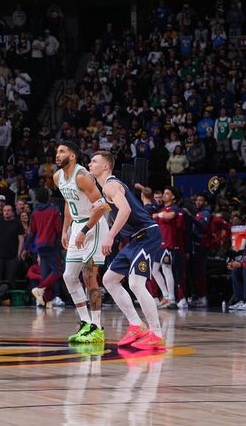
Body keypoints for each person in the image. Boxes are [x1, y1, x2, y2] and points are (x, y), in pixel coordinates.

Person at [89, 151, 165, 350]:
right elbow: (116, 210)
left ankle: (156, 333)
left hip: (147, 235)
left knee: (136, 283)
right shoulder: (106, 189)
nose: (89, 164)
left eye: (94, 161)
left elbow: (126, 210)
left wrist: (110, 236)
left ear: (106, 166)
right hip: (136, 238)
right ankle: (136, 325)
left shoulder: (110, 185)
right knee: (109, 280)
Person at [53, 141, 109, 344]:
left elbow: (101, 206)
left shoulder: (82, 176)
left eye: (62, 151)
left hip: (94, 225)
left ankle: (97, 326)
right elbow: (68, 202)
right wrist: (65, 230)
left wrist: (85, 230)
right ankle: (86, 322)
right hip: (77, 226)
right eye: (57, 152)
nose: (57, 155)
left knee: (88, 274)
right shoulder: (58, 177)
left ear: (73, 156)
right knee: (69, 276)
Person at [151, 187, 186, 309]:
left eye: (167, 194)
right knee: (154, 269)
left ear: (173, 197)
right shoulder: (163, 209)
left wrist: (159, 215)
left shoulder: (174, 208)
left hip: (169, 244)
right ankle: (165, 295)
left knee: (166, 268)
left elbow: (171, 215)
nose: (164, 195)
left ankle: (171, 299)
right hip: (160, 244)